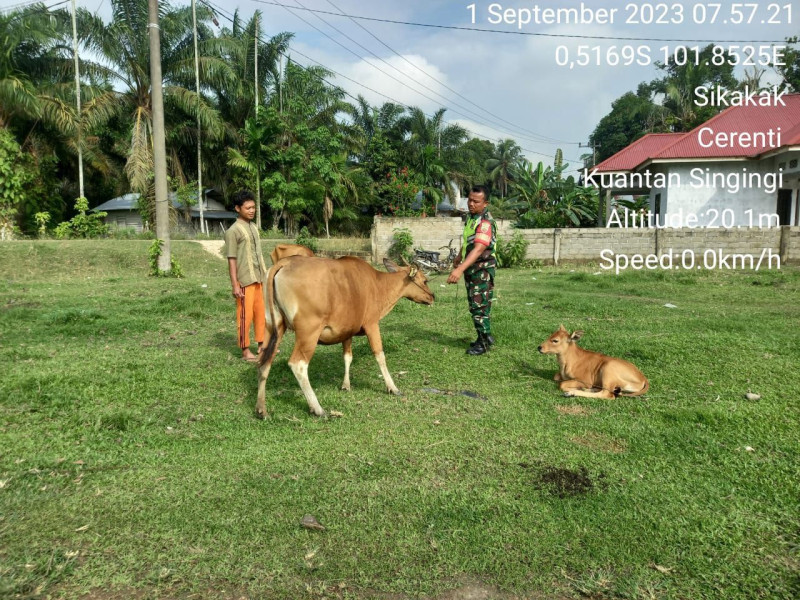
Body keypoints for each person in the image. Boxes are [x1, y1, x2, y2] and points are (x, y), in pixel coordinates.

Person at [447, 185, 497, 355]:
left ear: (485, 203)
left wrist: (459, 269)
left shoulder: (485, 223)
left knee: (479, 306)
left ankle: (482, 344)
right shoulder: (472, 218)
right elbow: (469, 240)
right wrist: (459, 256)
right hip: (472, 268)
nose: (471, 204)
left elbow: (478, 249)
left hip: (481, 270)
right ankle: (486, 336)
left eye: (476, 201)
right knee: (479, 304)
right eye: (470, 200)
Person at [225, 190, 268, 362]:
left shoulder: (253, 228)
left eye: (253, 207)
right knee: (245, 316)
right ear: (237, 208)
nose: (251, 210)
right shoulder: (233, 231)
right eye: (247, 208)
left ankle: (262, 346)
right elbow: (232, 259)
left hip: (259, 278)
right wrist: (235, 284)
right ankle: (245, 351)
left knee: (261, 314)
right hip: (244, 280)